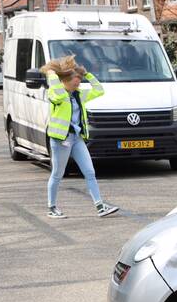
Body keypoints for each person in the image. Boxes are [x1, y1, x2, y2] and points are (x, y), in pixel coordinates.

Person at [41, 56, 119, 219]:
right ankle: (52, 207)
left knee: (90, 172)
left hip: (76, 138)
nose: (78, 83)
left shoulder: (78, 95)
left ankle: (100, 206)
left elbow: (99, 90)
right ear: (65, 80)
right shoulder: (56, 94)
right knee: (57, 174)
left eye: (79, 81)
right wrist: (52, 74)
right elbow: (59, 93)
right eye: (75, 81)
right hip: (61, 140)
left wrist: (87, 74)